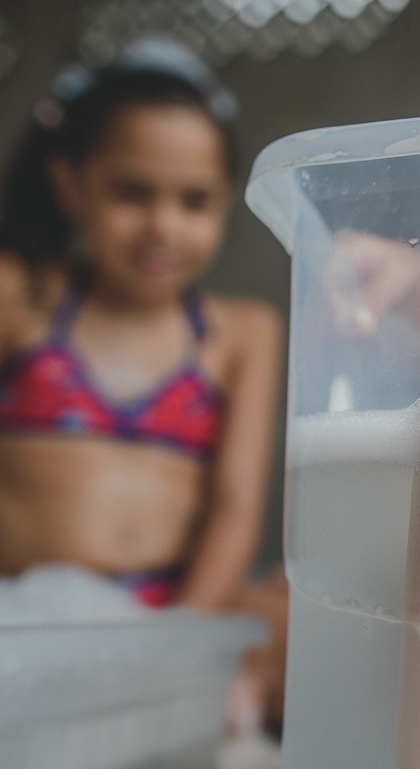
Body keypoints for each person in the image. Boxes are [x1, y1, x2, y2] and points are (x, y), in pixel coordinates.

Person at [0, 39, 285, 729]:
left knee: (318, 621)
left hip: (178, 610)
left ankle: (219, 691)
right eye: (132, 193)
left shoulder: (241, 332)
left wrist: (173, 651)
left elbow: (235, 511)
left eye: (194, 201)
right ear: (69, 183)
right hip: (29, 619)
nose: (164, 225)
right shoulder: (19, 295)